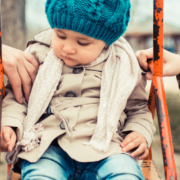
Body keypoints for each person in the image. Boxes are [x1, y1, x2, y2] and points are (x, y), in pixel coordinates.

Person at [0, 0, 155, 179]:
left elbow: (138, 108)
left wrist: (139, 132)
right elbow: (18, 98)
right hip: (47, 146)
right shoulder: (39, 53)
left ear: (106, 42)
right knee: (41, 175)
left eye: (82, 42)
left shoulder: (122, 65)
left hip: (108, 149)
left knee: (126, 174)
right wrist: (10, 124)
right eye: (60, 35)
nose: (67, 48)